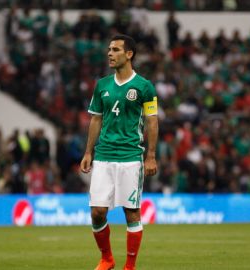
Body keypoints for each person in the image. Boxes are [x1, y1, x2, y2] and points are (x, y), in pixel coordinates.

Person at [80, 34, 159, 270]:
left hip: (131, 157)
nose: (109, 53)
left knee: (132, 213)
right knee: (97, 212)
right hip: (104, 156)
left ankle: (130, 266)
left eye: (115, 49)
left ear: (129, 54)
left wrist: (151, 156)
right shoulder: (102, 85)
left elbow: (152, 122)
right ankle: (107, 258)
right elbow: (95, 119)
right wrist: (88, 152)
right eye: (109, 49)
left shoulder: (144, 87)